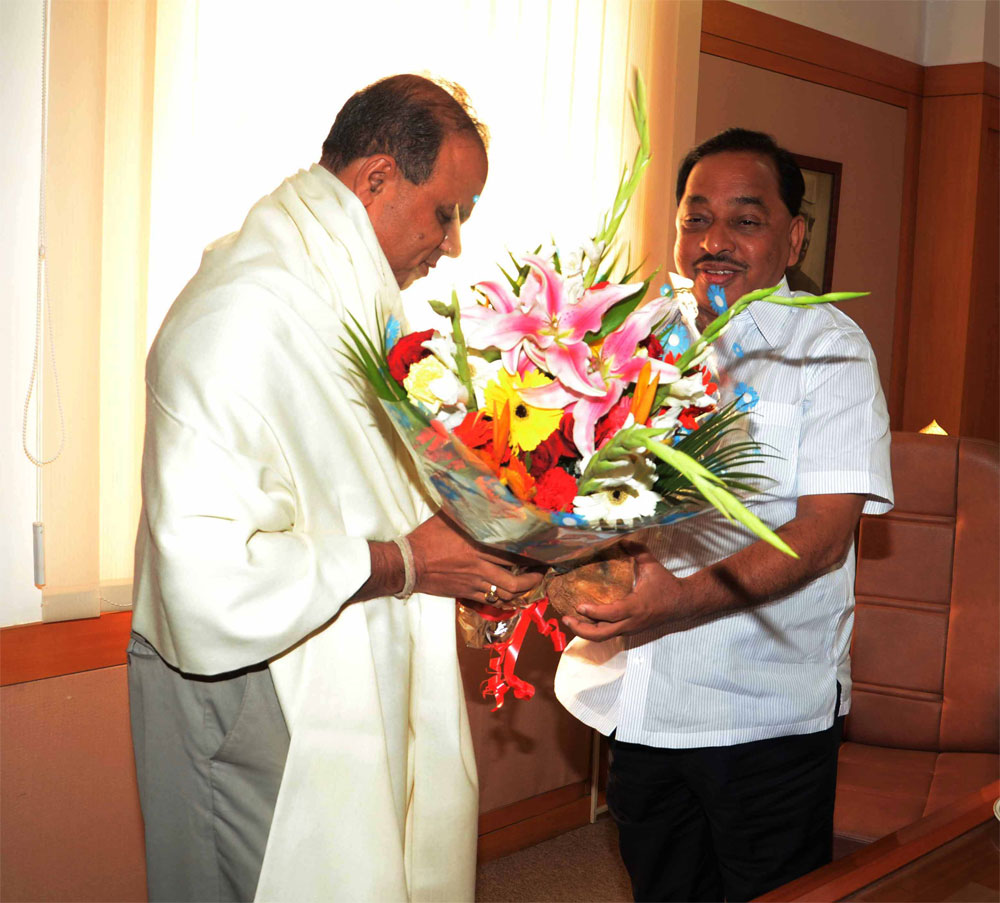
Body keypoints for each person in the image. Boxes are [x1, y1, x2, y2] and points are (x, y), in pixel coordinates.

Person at [127, 74, 541, 903]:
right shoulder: (241, 315)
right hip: (247, 681)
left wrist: (486, 549)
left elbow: (370, 485)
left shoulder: (344, 301)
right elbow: (212, 577)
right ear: (377, 178)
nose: (454, 243)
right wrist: (412, 565)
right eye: (446, 212)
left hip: (340, 646)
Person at [555, 128, 893, 902]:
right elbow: (601, 500)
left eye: (745, 219)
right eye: (694, 217)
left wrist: (679, 600)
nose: (713, 240)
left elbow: (820, 537)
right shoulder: (637, 341)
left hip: (763, 715)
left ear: (794, 235)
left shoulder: (829, 350)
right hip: (640, 699)